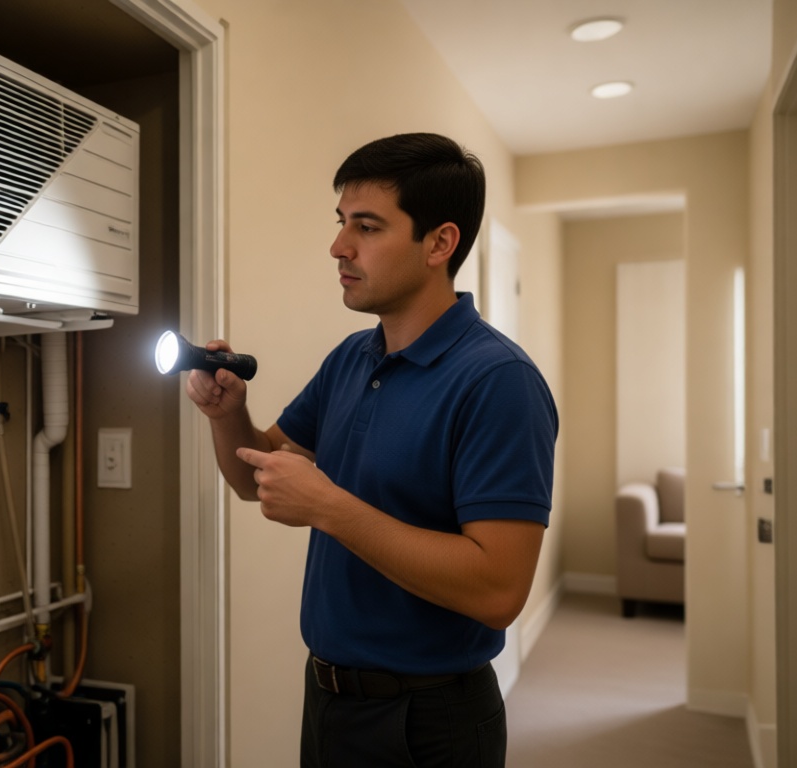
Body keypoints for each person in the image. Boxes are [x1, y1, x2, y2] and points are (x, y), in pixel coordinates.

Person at [185, 133, 557, 767]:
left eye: (367, 226)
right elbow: (260, 479)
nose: (338, 247)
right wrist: (230, 417)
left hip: (430, 718)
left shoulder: (499, 381)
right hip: (330, 697)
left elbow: (500, 589)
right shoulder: (352, 359)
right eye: (341, 223)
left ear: (440, 243)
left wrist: (331, 508)